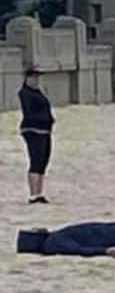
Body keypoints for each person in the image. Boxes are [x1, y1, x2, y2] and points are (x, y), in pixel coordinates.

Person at [18, 68, 53, 204]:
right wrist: (43, 119)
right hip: (33, 130)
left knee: (43, 161)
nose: (36, 80)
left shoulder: (38, 92)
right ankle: (33, 194)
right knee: (36, 160)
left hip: (45, 130)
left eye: (37, 78)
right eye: (33, 77)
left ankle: (39, 192)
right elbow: (29, 112)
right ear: (27, 78)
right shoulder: (25, 93)